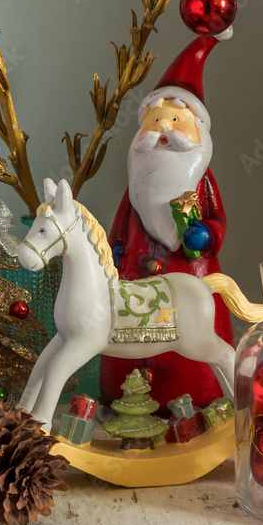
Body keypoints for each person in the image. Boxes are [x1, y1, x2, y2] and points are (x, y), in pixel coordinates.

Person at [99, 32, 233, 412]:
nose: (163, 132)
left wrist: (207, 235)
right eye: (156, 122)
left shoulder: (200, 181)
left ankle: (200, 397)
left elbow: (218, 220)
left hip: (189, 276)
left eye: (175, 121)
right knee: (122, 345)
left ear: (196, 130)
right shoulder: (138, 184)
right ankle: (119, 398)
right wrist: (114, 248)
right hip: (132, 286)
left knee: (191, 347)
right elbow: (121, 224)